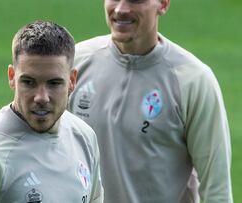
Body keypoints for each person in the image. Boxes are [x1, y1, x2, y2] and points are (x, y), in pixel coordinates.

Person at [68, 0, 233, 202]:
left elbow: (217, 190)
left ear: (163, 4)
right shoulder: (75, 63)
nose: (120, 9)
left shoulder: (192, 79)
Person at [0, 20, 104, 203]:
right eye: (29, 82)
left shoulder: (84, 137)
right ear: (12, 77)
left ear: (72, 81)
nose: (41, 97)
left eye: (54, 83)